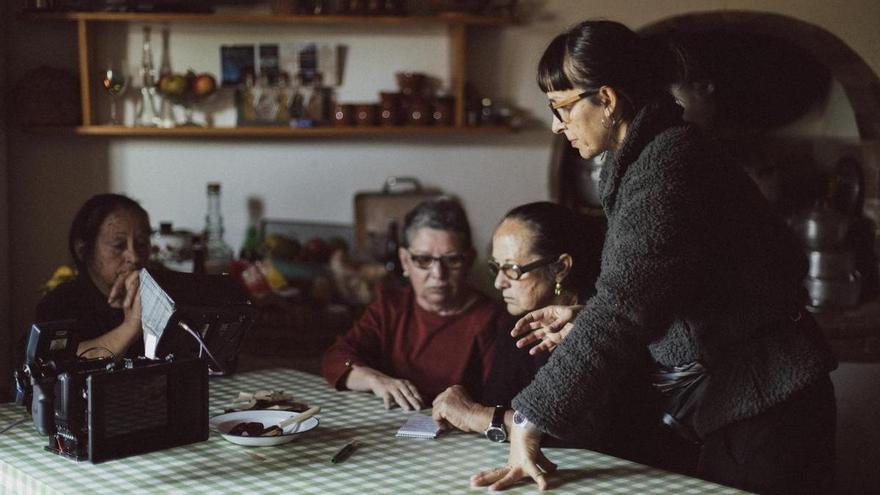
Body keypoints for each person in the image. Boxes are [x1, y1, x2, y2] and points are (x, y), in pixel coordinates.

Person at [470, 20, 837, 495]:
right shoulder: (654, 157)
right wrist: (587, 317)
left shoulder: (668, 166)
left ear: (606, 99)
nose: (557, 124)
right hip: (750, 399)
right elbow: (668, 288)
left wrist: (528, 418)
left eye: (561, 107)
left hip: (770, 403)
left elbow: (625, 308)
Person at [321, 197, 508, 411]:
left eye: (452, 260)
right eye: (423, 260)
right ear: (404, 261)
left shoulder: (492, 319)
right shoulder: (391, 307)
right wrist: (374, 379)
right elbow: (336, 358)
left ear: (470, 260)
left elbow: (499, 403)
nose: (438, 274)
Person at [34, 193, 151, 360]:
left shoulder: (159, 296)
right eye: (118, 245)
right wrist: (130, 327)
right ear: (82, 250)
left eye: (142, 243)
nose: (135, 257)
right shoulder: (60, 303)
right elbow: (53, 364)